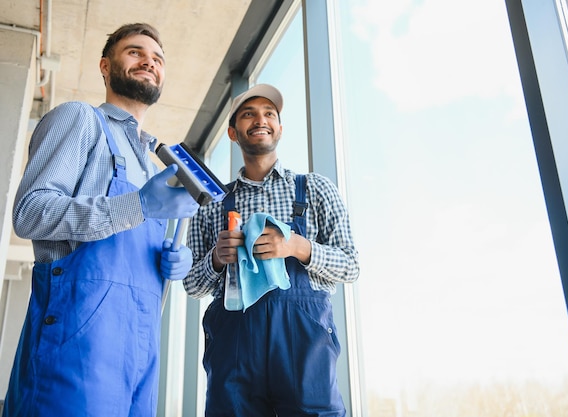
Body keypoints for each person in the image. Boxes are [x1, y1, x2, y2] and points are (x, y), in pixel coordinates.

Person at [2, 23, 198, 417]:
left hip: (141, 353)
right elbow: (29, 213)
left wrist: (175, 261)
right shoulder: (80, 120)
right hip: (77, 345)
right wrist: (138, 206)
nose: (149, 62)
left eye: (157, 59)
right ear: (105, 67)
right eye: (135, 53)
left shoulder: (151, 160)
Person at [183, 83, 360, 416]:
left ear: (279, 128)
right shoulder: (211, 203)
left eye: (269, 114)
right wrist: (217, 258)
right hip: (234, 343)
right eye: (248, 114)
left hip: (304, 340)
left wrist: (298, 246)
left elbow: (351, 266)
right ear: (233, 133)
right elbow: (192, 285)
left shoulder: (316, 190)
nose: (260, 120)